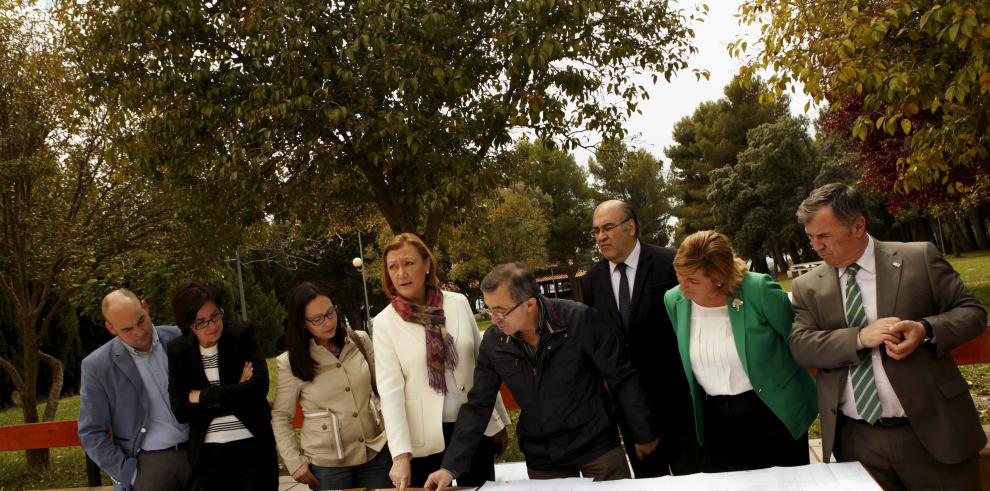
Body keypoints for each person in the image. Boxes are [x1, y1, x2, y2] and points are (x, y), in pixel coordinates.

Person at [790, 183, 987, 489]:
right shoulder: (807, 287)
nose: (817, 246)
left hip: (933, 430)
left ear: (858, 226)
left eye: (825, 235)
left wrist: (925, 329)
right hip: (857, 440)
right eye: (811, 237)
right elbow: (802, 346)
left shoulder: (918, 258)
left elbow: (972, 312)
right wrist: (859, 337)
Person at [425, 262, 659, 490]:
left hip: (597, 448)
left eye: (500, 311)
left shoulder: (579, 320)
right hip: (543, 457)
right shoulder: (494, 342)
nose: (494, 320)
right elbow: (478, 405)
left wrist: (643, 432)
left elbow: (621, 376)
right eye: (489, 309)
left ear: (529, 304)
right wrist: (449, 467)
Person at [664, 230, 817, 472]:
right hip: (717, 419)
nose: (682, 287)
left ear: (718, 278)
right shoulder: (674, 301)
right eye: (679, 276)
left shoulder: (758, 289)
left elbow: (798, 342)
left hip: (772, 412)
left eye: (692, 280)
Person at [373, 233, 512, 490]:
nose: (401, 273)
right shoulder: (384, 323)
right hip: (425, 440)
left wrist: (499, 421)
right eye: (393, 267)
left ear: (427, 265)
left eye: (408, 263)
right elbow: (390, 394)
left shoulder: (458, 303)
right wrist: (400, 455)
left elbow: (484, 368)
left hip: (473, 430)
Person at [580, 199, 697, 476]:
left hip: (680, 405)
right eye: (595, 231)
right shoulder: (592, 281)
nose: (600, 237)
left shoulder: (670, 263)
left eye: (607, 228)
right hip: (630, 413)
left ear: (630, 227)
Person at [272, 282, 391, 490]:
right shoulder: (290, 362)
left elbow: (384, 389)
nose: (327, 322)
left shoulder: (359, 341)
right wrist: (294, 462)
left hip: (375, 453)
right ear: (302, 323)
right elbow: (281, 416)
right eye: (317, 319)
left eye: (330, 313)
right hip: (328, 466)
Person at [165, 282, 278, 490]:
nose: (212, 326)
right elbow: (180, 409)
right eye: (201, 322)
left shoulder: (241, 334)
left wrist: (202, 397)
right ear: (188, 324)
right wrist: (238, 389)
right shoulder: (178, 351)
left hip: (252, 443)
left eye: (215, 316)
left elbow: (259, 386)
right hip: (208, 453)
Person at [78, 289, 192, 491]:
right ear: (111, 328)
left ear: (145, 307)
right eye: (127, 329)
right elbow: (91, 432)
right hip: (149, 466)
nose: (139, 332)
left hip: (201, 451)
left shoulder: (181, 338)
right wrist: (129, 474)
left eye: (141, 321)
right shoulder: (97, 366)